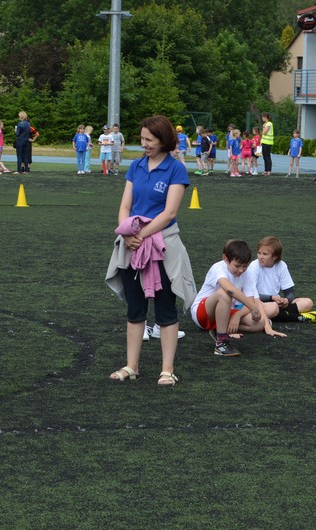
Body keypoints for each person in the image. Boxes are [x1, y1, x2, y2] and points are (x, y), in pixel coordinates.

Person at [105, 115, 197, 386]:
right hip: (132, 245)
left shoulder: (175, 169)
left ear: (163, 140)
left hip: (162, 246)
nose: (144, 143)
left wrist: (140, 235)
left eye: (149, 139)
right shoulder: (136, 166)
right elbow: (125, 206)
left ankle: (167, 370)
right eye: (142, 138)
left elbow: (169, 213)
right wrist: (127, 233)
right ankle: (131, 366)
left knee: (166, 309)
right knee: (135, 309)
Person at [190, 239, 284, 357]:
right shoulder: (218, 268)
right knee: (224, 293)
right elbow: (230, 290)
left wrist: (237, 315)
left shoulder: (247, 273)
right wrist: (253, 308)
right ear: (225, 259)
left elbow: (250, 300)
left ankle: (219, 329)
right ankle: (221, 343)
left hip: (225, 311)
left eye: (245, 266)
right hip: (202, 313)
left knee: (260, 323)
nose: (241, 270)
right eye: (237, 266)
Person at [247, 236, 316, 323]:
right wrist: (271, 298)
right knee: (273, 308)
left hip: (276, 304)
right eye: (259, 253)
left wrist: (286, 300)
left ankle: (281, 315)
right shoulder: (254, 266)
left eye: (265, 254)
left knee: (308, 302)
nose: (260, 257)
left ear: (275, 256)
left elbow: (290, 292)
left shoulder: (281, 265)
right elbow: (251, 295)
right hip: (259, 303)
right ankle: (296, 317)